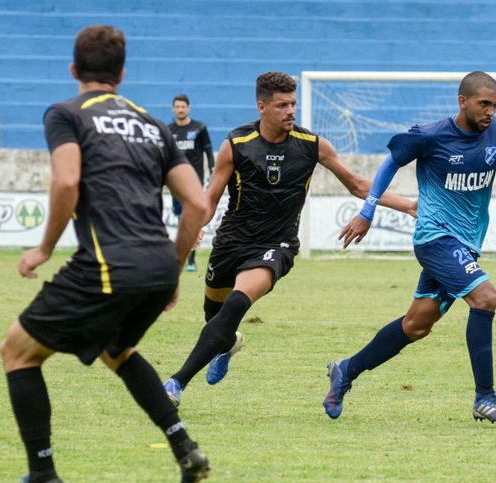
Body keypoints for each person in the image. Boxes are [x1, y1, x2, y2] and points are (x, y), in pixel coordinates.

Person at [0, 25, 210, 483]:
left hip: (109, 264)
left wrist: (43, 248)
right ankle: (185, 448)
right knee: (119, 350)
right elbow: (196, 203)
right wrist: (174, 269)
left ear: (73, 71)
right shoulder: (152, 123)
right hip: (157, 264)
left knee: (17, 352)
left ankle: (44, 476)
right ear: (121, 74)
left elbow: (67, 181)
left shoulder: (67, 114)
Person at [325, 71, 496, 423]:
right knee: (485, 298)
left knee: (416, 325)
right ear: (463, 101)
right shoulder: (429, 135)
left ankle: (345, 370)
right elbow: (390, 164)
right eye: (483, 104)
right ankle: (485, 397)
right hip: (435, 238)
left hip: (466, 244)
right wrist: (367, 210)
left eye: (495, 105)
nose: (490, 111)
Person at [163, 72, 416, 407]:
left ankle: (176, 383)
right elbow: (210, 199)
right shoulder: (235, 144)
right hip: (230, 242)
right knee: (216, 317)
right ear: (262, 106)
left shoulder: (312, 145)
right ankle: (227, 344)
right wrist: (196, 226)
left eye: (293, 104)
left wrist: (409, 204)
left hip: (275, 245)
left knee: (238, 302)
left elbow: (357, 184)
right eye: (282, 105)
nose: (290, 111)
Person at [168, 93, 214, 272]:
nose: (180, 109)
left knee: (194, 219)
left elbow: (209, 152)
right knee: (181, 221)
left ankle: (192, 261)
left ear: (188, 108)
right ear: (173, 109)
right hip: (175, 184)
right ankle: (182, 256)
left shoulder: (199, 128)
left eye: (183, 107)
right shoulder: (168, 130)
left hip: (196, 184)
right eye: (177, 107)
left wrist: (213, 171)